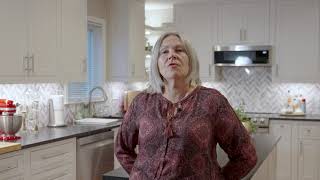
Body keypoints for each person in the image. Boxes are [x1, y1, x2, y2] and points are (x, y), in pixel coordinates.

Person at [115, 32, 257, 180]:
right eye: (164, 51)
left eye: (179, 50)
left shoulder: (212, 101)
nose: (172, 55)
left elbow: (246, 155)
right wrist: (139, 175)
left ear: (191, 60)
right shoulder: (141, 102)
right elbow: (122, 148)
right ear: (156, 63)